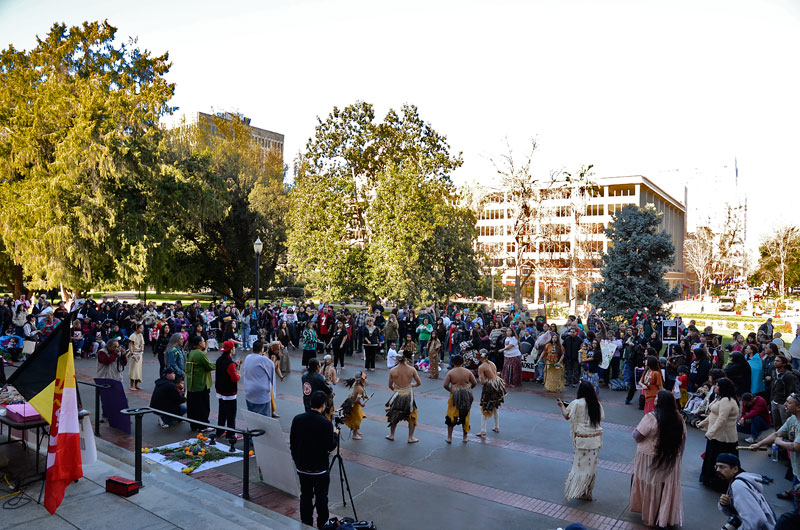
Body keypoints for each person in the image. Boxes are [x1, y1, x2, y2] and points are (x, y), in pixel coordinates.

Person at [629, 390, 685, 528]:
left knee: (651, 484)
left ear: (660, 402)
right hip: (671, 458)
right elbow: (683, 440)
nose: (654, 400)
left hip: (651, 458)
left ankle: (651, 516)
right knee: (666, 487)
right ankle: (664, 516)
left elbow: (637, 436)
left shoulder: (652, 417)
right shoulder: (679, 418)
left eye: (657, 398)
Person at [290, 390, 339, 529]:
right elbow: (330, 446)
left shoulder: (298, 419)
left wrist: (296, 460)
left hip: (302, 467)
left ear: (310, 403)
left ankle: (306, 524)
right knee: (321, 498)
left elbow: (293, 442)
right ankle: (322, 525)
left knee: (305, 496)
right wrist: (335, 435)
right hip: (320, 469)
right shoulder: (326, 424)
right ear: (323, 405)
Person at [749, 392, 800, 503]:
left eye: (789, 402)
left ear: (798, 407)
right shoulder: (792, 419)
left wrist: (779, 443)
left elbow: (796, 446)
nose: (785, 404)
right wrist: (759, 444)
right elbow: (777, 434)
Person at [558, 381, 604, 501]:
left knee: (580, 466)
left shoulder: (577, 403)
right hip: (595, 440)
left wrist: (562, 405)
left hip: (582, 440)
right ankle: (588, 492)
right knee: (591, 467)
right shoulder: (597, 404)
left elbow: (566, 416)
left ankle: (580, 491)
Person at [697, 377, 740, 491]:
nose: (715, 387)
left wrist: (710, 432)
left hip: (723, 438)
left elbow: (722, 419)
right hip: (716, 435)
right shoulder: (720, 399)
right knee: (711, 458)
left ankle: (719, 483)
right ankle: (709, 478)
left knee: (719, 461)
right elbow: (713, 415)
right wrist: (703, 423)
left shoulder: (727, 401)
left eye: (717, 386)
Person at [715, 453, 777, 530]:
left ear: (735, 469)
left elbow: (756, 520)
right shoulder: (737, 481)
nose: (718, 470)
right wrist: (725, 505)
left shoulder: (738, 485)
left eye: (722, 467)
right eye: (716, 466)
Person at [385, 350, 422, 443]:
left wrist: (397, 390)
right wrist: (411, 385)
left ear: (398, 358)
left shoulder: (393, 370)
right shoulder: (412, 369)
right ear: (406, 358)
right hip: (409, 394)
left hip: (397, 394)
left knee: (394, 414)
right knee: (412, 415)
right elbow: (419, 383)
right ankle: (410, 437)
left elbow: (390, 385)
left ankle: (392, 435)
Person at [443, 354, 477, 444]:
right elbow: (474, 382)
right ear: (462, 362)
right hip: (466, 394)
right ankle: (465, 437)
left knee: (451, 415)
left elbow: (445, 385)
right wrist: (468, 389)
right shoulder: (468, 372)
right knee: (465, 415)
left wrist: (451, 390)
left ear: (453, 362)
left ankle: (449, 438)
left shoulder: (450, 372)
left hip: (455, 394)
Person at [185, 335, 215, 430]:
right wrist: (221, 363)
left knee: (193, 406)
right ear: (199, 343)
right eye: (203, 341)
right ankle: (203, 425)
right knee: (203, 406)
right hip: (201, 384)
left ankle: (194, 425)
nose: (204, 343)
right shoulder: (200, 354)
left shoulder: (190, 353)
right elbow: (209, 366)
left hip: (191, 384)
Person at [215, 340, 241, 444]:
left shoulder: (219, 360)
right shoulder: (230, 364)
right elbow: (235, 378)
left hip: (220, 390)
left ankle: (220, 431)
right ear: (231, 350)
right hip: (229, 392)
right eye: (234, 348)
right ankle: (231, 434)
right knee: (231, 414)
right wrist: (238, 372)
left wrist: (236, 365)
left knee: (222, 412)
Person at [243, 339, 277, 417]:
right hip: (261, 395)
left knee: (252, 416)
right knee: (263, 420)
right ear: (262, 349)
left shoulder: (248, 357)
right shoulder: (265, 360)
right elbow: (272, 376)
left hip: (249, 392)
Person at [477, 349, 506, 437]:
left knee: (484, 407)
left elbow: (482, 382)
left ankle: (483, 430)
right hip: (498, 384)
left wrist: (481, 378)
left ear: (481, 357)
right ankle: (496, 426)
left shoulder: (481, 367)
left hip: (490, 386)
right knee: (495, 406)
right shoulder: (492, 363)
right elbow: (496, 374)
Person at [769, 354, 796, 429]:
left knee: (785, 424)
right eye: (775, 360)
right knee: (776, 423)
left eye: (778, 361)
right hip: (774, 401)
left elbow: (791, 390)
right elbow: (773, 386)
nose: (775, 362)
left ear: (783, 363)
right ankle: (777, 438)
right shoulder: (773, 372)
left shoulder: (788, 375)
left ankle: (787, 440)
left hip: (783, 403)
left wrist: (787, 403)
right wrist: (771, 400)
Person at [341, 372, 368, 440]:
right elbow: (357, 400)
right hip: (354, 404)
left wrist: (365, 396)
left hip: (353, 401)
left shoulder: (356, 383)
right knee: (357, 419)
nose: (365, 380)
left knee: (359, 416)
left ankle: (356, 431)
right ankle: (354, 434)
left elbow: (359, 395)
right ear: (361, 380)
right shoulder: (360, 389)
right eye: (364, 378)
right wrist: (362, 404)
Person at [127, 323, 145, 391]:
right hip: (134, 354)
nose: (142, 329)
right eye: (140, 328)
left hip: (140, 354)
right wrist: (132, 353)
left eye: (142, 328)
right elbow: (131, 345)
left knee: (138, 370)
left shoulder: (141, 335)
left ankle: (136, 385)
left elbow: (142, 344)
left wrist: (142, 350)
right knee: (133, 370)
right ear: (137, 328)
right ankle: (131, 385)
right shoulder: (133, 335)